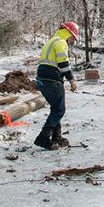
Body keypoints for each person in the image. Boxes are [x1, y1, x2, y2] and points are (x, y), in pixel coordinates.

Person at [34, 21, 79, 150]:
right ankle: (43, 138)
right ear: (69, 33)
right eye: (73, 38)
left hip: (42, 77)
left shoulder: (52, 41)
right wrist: (71, 80)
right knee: (59, 110)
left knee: (56, 108)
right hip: (52, 78)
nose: (72, 41)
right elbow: (63, 63)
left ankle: (56, 137)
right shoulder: (61, 42)